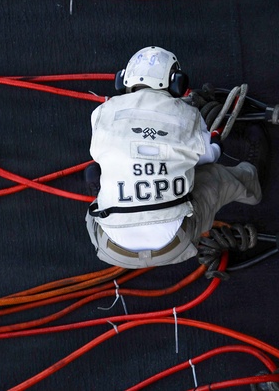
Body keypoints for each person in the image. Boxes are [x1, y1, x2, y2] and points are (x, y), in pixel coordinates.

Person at [84, 46, 266, 268]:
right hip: (175, 243)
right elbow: (210, 156)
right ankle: (252, 183)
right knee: (211, 175)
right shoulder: (188, 115)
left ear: (123, 80)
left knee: (95, 172)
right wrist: (212, 143)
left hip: (111, 249)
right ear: (176, 82)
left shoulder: (103, 113)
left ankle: (103, 199)